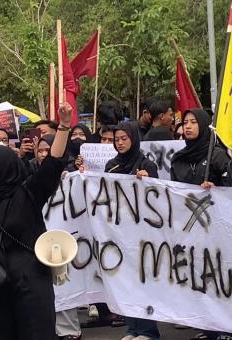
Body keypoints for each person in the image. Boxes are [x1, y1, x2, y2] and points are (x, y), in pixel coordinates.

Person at [0, 102, 73, 340]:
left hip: (31, 280)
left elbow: (52, 164)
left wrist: (64, 127)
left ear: (5, 164)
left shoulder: (27, 193)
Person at [103, 122, 159, 340]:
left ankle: (148, 331)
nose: (120, 143)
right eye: (117, 139)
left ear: (134, 139)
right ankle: (132, 329)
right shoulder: (111, 165)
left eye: (124, 138)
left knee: (142, 281)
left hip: (142, 234)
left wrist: (148, 181)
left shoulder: (146, 164)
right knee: (124, 282)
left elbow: (159, 196)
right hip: (118, 231)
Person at [171, 109, 229, 186]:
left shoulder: (217, 155)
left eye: (193, 122)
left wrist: (216, 188)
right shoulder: (178, 158)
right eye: (185, 123)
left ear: (203, 124)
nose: (188, 126)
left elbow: (231, 185)